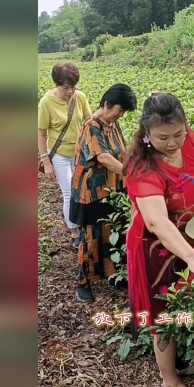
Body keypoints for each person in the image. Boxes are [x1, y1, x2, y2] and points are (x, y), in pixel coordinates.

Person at [123, 92, 194, 387]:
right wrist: (193, 258)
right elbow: (157, 223)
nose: (173, 142)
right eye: (163, 137)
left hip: (188, 237)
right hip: (156, 250)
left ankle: (177, 361)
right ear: (147, 133)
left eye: (178, 133)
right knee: (162, 313)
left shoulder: (187, 141)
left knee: (183, 303)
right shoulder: (142, 166)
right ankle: (170, 384)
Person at [70, 83, 138, 303]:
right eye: (119, 110)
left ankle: (112, 275)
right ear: (107, 104)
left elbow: (122, 152)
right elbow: (104, 157)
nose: (120, 115)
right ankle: (83, 283)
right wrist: (132, 174)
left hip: (112, 189)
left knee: (111, 233)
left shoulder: (112, 124)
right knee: (89, 237)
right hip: (89, 192)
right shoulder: (92, 126)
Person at [38, 63, 92, 249]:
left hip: (79, 152)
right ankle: (74, 230)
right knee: (69, 192)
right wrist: (46, 161)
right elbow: (41, 134)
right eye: (65, 88)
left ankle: (82, 224)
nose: (70, 92)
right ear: (55, 83)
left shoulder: (80, 97)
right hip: (59, 154)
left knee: (82, 190)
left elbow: (88, 121)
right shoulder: (46, 103)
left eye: (73, 87)